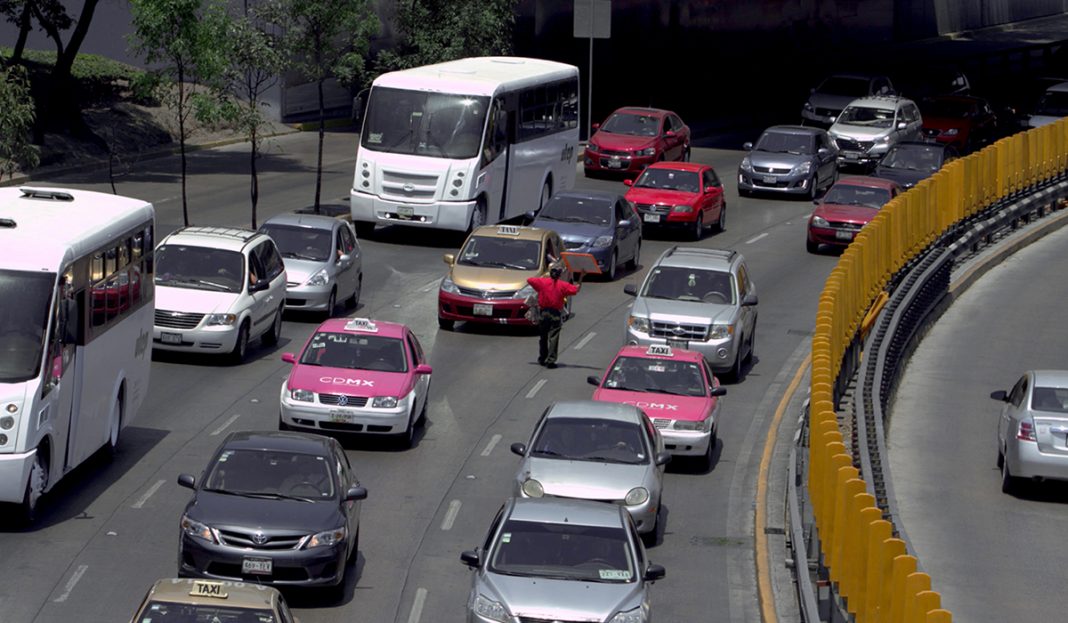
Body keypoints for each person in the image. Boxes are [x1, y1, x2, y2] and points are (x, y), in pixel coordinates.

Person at [527, 264, 579, 368]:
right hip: (555, 314)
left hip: (543, 313)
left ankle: (542, 358)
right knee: (554, 337)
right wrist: (581, 277)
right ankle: (551, 360)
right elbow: (576, 289)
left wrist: (543, 276)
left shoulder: (542, 282)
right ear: (559, 275)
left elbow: (529, 280)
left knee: (543, 337)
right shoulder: (563, 285)